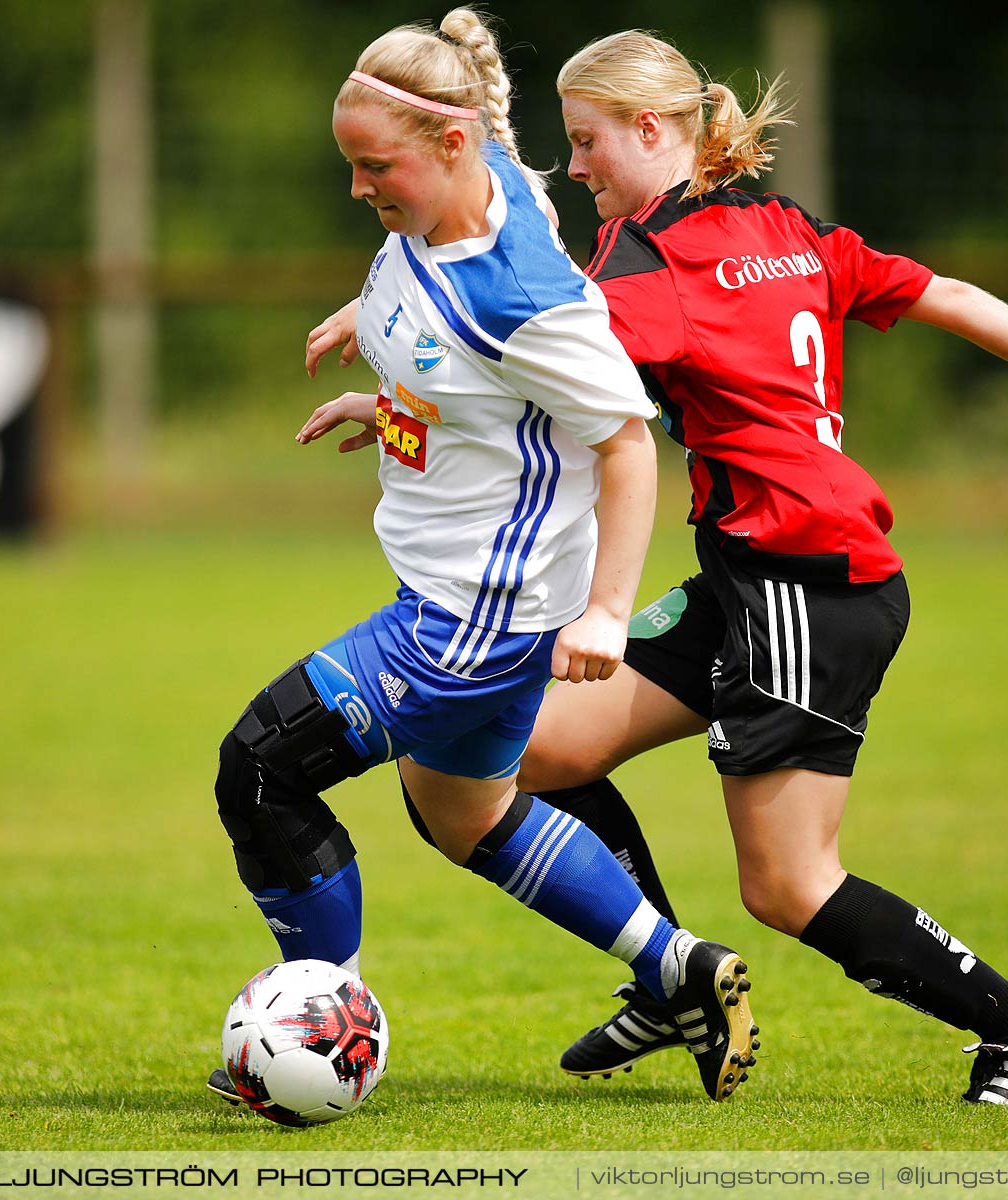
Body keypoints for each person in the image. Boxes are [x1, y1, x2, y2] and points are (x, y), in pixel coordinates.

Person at [309, 30, 1008, 1107]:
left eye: (587, 143)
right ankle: (668, 979)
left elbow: (515, 343)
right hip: (755, 571)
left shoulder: (651, 270)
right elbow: (937, 289)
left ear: (651, 130)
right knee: (537, 751)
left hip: (807, 583)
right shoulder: (783, 228)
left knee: (789, 883)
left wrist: (393, 355)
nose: (574, 169)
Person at [209, 11, 757, 1111]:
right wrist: (389, 386)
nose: (363, 189)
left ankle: (322, 1028)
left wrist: (606, 613)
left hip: (471, 622)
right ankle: (675, 965)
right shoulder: (480, 173)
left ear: (452, 144)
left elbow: (622, 443)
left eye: (378, 167)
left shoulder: (526, 298)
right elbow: (464, 362)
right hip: (457, 599)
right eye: (352, 165)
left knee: (261, 768)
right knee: (467, 819)